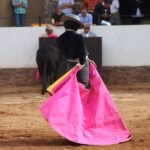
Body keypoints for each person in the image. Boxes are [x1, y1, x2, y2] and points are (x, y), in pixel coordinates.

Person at [57, 14, 95, 88]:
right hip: (82, 63)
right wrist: (82, 62)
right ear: (76, 27)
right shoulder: (78, 37)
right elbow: (82, 52)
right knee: (83, 85)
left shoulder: (60, 38)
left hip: (70, 63)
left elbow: (62, 53)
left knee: (70, 85)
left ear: (65, 25)